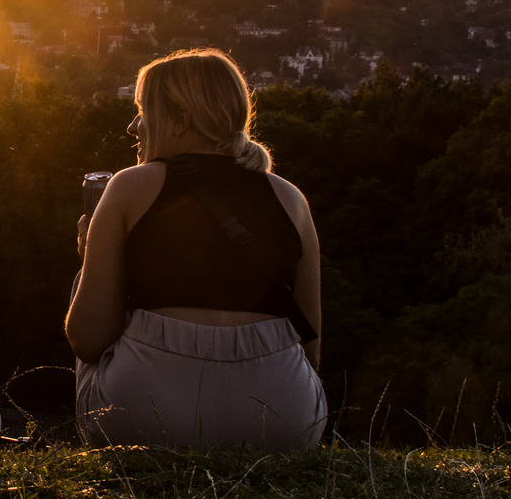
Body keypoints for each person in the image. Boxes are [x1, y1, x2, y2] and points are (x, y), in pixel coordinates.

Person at [66, 48, 325, 450]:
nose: (134, 127)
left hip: (146, 418)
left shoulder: (129, 186)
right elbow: (310, 350)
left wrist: (92, 261)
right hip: (281, 420)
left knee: (86, 289)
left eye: (143, 110)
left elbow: (88, 339)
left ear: (182, 119)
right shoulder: (291, 199)